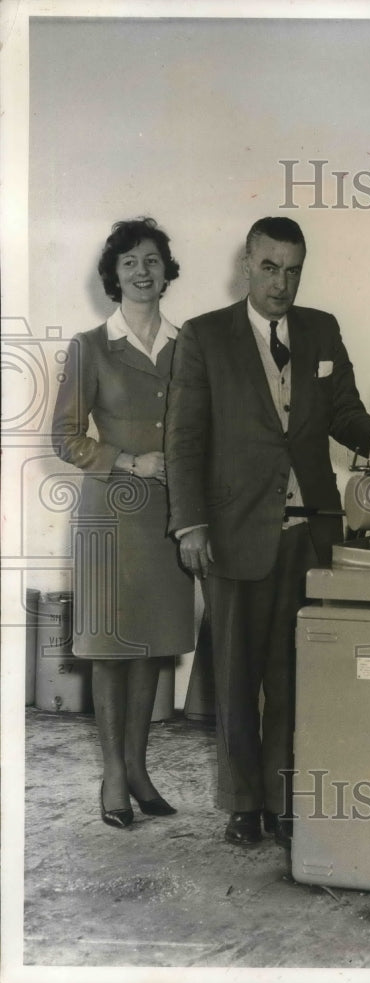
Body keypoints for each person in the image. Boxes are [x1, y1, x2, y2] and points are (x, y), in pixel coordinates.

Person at [165, 217, 370, 849]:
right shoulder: (204, 337)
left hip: (310, 534)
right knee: (235, 676)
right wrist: (190, 523)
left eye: (293, 271)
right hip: (232, 532)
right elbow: (183, 440)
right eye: (269, 267)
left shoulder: (322, 330)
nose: (281, 283)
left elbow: (345, 414)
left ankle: (286, 800)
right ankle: (241, 803)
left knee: (296, 674)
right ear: (246, 265)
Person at [51, 217, 194, 829]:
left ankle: (138, 768)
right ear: (114, 275)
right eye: (130, 261)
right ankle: (113, 773)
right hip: (110, 513)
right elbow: (65, 437)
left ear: (166, 272)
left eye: (153, 260)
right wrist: (130, 460)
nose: (142, 270)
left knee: (152, 647)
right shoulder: (90, 345)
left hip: (167, 516)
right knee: (111, 649)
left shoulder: (189, 346)